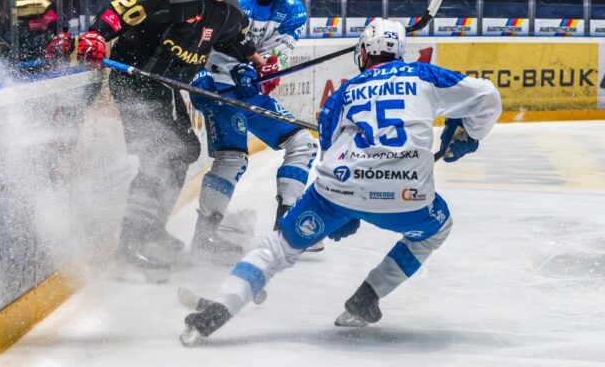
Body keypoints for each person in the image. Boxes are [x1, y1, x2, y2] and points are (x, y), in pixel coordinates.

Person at [180, 19, 502, 343]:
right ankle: (367, 297)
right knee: (436, 229)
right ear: (400, 53)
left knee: (277, 249)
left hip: (337, 191)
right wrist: (468, 135)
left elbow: (328, 149)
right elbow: (487, 97)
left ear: (363, 52)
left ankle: (218, 310)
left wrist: (343, 211)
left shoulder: (344, 93)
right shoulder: (424, 75)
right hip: (408, 194)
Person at [76, 0, 259, 283]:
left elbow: (237, 42)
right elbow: (126, 5)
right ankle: (129, 249)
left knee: (182, 150)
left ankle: (150, 232)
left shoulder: (230, 11)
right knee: (165, 153)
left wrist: (255, 63)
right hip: (136, 77)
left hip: (165, 84)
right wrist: (97, 34)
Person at [187, 0, 323, 262]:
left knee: (304, 143)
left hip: (249, 92)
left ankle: (286, 229)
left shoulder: (293, 10)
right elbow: (201, 39)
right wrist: (196, 72)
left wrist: (269, 70)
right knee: (233, 158)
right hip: (217, 88)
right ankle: (205, 235)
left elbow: (274, 59)